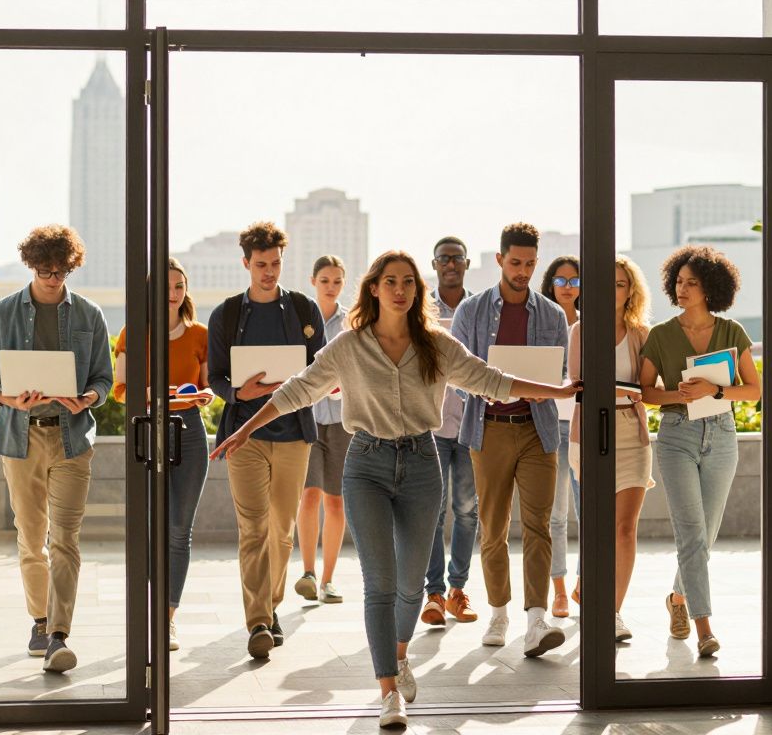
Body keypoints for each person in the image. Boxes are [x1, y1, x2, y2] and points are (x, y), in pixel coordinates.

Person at [210, 250, 579, 728]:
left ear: (415, 290)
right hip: (366, 464)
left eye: (408, 281)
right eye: (390, 281)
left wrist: (559, 390)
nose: (400, 289)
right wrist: (242, 430)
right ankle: (389, 690)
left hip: (423, 465)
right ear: (374, 289)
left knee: (411, 587)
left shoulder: (437, 345)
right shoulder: (349, 345)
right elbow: (296, 391)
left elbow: (493, 380)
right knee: (379, 585)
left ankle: (399, 655)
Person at [0, 224, 113, 674]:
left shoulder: (90, 315)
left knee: (65, 540)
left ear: (70, 267)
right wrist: (6, 397)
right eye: (44, 270)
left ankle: (59, 634)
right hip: (21, 437)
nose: (52, 278)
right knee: (31, 539)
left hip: (72, 437)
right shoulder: (2, 313)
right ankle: (39, 620)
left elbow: (104, 381)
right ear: (32, 266)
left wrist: (88, 398)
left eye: (60, 270)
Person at [207, 221, 326, 660]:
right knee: (253, 529)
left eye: (276, 263)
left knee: (282, 529)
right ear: (245, 264)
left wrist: (292, 388)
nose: (269, 272)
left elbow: (321, 370)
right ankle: (258, 621)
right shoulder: (227, 315)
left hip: (294, 434)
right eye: (261, 265)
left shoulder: (302, 309)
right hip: (245, 437)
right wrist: (241, 393)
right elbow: (215, 378)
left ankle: (272, 607)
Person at [639, 244, 762, 658]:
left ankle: (677, 598)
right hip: (676, 436)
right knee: (691, 534)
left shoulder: (732, 332)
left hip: (722, 435)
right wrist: (682, 394)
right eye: (679, 281)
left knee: (704, 536)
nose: (683, 288)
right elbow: (645, 392)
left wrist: (716, 390)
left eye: (692, 282)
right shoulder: (660, 335)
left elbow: (754, 389)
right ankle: (704, 628)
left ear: (711, 287)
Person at [453, 222, 570, 656]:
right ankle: (499, 611)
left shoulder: (553, 315)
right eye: (515, 262)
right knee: (493, 528)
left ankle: (536, 619)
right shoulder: (473, 311)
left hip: (538, 430)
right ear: (500, 259)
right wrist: (482, 388)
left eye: (530, 264)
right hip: (489, 430)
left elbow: (557, 373)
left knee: (539, 526)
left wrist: (545, 384)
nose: (522, 271)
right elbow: (458, 373)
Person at [111, 257, 211, 652]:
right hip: (149, 432)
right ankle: (149, 613)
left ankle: (167, 619)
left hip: (189, 433)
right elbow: (121, 390)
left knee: (179, 532)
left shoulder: (200, 334)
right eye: (165, 287)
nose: (173, 294)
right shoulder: (132, 333)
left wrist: (201, 395)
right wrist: (153, 395)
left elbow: (205, 388)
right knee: (152, 529)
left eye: (179, 286)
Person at [566, 255, 655, 642]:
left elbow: (648, 391)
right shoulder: (581, 330)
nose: (613, 290)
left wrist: (620, 389)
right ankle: (589, 588)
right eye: (607, 283)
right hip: (589, 431)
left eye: (621, 284)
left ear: (630, 291)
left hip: (632, 431)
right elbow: (578, 384)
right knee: (596, 527)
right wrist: (623, 388)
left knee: (624, 530)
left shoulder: (642, 334)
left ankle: (612, 614)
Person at [421, 235, 480, 627]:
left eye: (457, 258)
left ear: (467, 263)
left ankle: (458, 589)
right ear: (435, 263)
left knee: (467, 510)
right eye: (444, 258)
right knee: (432, 510)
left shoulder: (479, 308)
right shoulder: (420, 307)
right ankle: (435, 594)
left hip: (473, 422)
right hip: (435, 423)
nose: (451, 264)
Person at [294, 255, 351, 605]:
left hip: (344, 419)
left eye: (337, 281)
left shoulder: (352, 323)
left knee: (336, 501)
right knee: (309, 495)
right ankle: (308, 573)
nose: (331, 286)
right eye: (325, 280)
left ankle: (329, 578)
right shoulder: (302, 319)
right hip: (308, 418)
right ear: (313, 280)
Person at [540, 254, 582, 618]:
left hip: (585, 427)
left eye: (575, 281)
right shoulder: (543, 325)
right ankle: (558, 589)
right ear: (550, 283)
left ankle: (585, 583)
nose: (567, 288)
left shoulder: (591, 324)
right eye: (561, 280)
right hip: (551, 426)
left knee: (589, 512)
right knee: (555, 514)